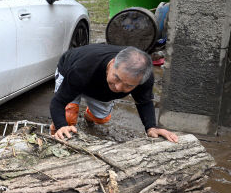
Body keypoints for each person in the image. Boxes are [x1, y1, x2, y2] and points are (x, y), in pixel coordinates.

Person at [50, 44, 178, 143]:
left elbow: (144, 102)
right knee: (67, 118)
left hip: (97, 86)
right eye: (116, 78)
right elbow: (58, 102)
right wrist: (61, 125)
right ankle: (58, 133)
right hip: (72, 72)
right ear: (112, 63)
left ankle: (88, 116)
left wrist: (151, 127)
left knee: (101, 118)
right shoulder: (83, 68)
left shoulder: (144, 78)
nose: (117, 87)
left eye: (129, 85)